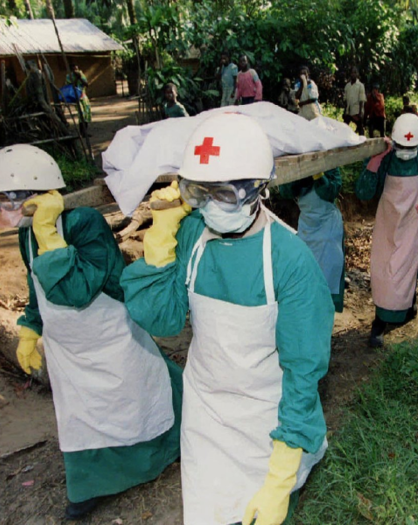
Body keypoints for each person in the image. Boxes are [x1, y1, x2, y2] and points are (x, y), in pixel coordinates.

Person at [119, 113, 332, 525]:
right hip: (206, 413)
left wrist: (280, 474)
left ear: (257, 190)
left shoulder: (289, 261)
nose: (209, 207)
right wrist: (160, 238)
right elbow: (161, 320)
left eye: (224, 195)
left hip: (265, 421)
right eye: (199, 193)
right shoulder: (192, 235)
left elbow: (303, 374)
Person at [0, 145, 182, 520]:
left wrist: (50, 235)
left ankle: (161, 454)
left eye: (2, 204)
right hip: (67, 346)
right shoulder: (26, 234)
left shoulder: (82, 223)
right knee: (81, 416)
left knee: (137, 400)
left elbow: (75, 290)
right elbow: (37, 283)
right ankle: (88, 485)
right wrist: (28, 327)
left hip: (110, 334)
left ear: (31, 196)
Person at [355, 113, 418, 348]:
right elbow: (363, 193)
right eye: (401, 146)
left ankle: (408, 304)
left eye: (410, 146)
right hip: (388, 224)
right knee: (385, 272)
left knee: (409, 269)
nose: (406, 150)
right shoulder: (385, 160)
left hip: (414, 225)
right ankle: (380, 321)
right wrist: (375, 161)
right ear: (393, 142)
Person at [279, 169, 345, 312]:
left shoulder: (330, 165)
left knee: (329, 272)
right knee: (306, 273)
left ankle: (326, 315)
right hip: (307, 227)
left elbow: (331, 191)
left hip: (328, 227)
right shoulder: (299, 164)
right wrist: (300, 177)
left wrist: (319, 175)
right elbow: (285, 191)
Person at [65, 63, 91, 132]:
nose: (76, 70)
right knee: (81, 114)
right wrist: (76, 78)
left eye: (77, 69)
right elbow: (72, 87)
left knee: (87, 113)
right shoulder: (69, 77)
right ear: (72, 70)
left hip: (83, 96)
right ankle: (82, 132)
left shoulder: (81, 74)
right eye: (74, 69)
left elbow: (86, 84)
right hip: (76, 97)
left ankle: (85, 131)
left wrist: (80, 78)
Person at [343, 66, 367, 135]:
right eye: (352, 72)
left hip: (356, 111)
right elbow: (345, 100)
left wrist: (361, 112)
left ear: (357, 74)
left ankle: (363, 142)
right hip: (348, 110)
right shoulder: (347, 86)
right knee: (344, 127)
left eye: (355, 72)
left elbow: (362, 100)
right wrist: (345, 111)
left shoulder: (360, 86)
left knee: (360, 127)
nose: (353, 74)